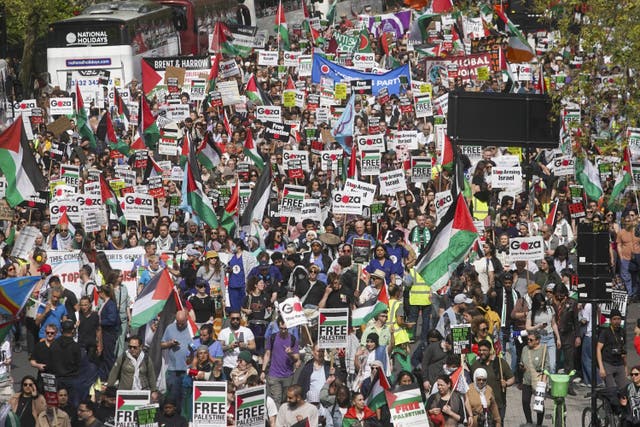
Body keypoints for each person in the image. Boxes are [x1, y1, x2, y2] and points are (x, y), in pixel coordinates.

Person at [470, 340, 514, 421]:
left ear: (490, 350)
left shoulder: (500, 363)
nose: (481, 352)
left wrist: (506, 383)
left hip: (499, 403)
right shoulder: (475, 365)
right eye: (480, 350)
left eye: (484, 350)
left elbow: (511, 378)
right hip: (482, 405)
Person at [261, 317, 299, 407]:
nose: (283, 331)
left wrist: (290, 354)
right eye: (281, 328)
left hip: (287, 375)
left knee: (286, 400)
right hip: (274, 375)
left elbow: (296, 358)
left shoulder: (293, 339)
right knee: (276, 399)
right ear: (278, 327)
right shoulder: (272, 337)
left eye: (285, 329)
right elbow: (267, 354)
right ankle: (276, 420)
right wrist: (263, 370)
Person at [106, 336, 158, 401]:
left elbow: (151, 375)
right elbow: (113, 374)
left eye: (135, 347)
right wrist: (107, 389)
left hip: (142, 393)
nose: (132, 349)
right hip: (125, 393)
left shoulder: (146, 359)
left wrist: (154, 391)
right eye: (130, 347)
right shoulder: (123, 357)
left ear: (140, 347)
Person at [520, 331, 550, 427]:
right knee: (525, 401)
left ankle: (539, 424)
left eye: (531, 340)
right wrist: (521, 366)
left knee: (539, 403)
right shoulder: (525, 349)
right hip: (527, 380)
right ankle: (529, 421)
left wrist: (544, 379)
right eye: (527, 339)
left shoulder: (543, 349)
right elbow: (521, 361)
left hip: (539, 381)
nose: (528, 341)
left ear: (537, 341)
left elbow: (547, 366)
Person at [219, 310, 256, 379]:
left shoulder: (247, 331)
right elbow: (219, 349)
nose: (235, 320)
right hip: (228, 365)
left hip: (243, 366)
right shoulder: (224, 332)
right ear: (230, 319)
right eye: (233, 319)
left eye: (237, 319)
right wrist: (229, 346)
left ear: (240, 319)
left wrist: (245, 346)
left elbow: (253, 346)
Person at [597, 308, 628, 389]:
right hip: (608, 364)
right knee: (611, 389)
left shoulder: (622, 331)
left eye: (619, 319)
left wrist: (625, 367)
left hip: (619, 364)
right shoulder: (605, 332)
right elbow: (598, 349)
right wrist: (601, 368)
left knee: (623, 389)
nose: (617, 321)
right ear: (610, 320)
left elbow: (623, 351)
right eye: (614, 319)